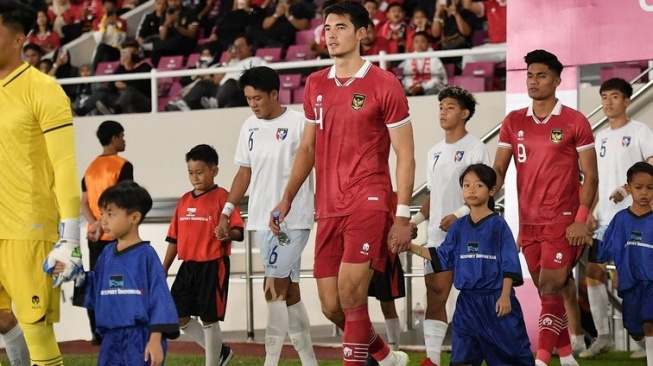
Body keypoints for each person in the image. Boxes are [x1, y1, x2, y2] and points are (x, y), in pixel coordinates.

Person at [270, 2, 414, 365]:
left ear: (362, 33)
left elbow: (406, 154)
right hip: (328, 205)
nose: (330, 34)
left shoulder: (385, 84)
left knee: (352, 294)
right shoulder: (315, 83)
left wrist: (401, 215)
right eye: (327, 27)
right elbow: (307, 147)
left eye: (340, 27)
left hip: (369, 199)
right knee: (332, 306)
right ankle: (386, 358)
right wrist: (287, 197)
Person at [493, 49, 598, 366]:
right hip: (529, 224)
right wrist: (484, 192)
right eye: (529, 75)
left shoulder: (574, 121)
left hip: (563, 222)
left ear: (556, 80)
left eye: (541, 75)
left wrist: (581, 219)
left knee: (552, 287)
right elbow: (499, 169)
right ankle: (567, 357)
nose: (533, 81)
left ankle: (540, 360)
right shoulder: (513, 121)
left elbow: (591, 176)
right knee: (546, 290)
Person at [215, 66, 318, 366]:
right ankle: (309, 361)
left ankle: (269, 362)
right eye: (248, 99)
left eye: (258, 98)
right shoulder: (249, 126)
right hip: (261, 219)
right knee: (289, 293)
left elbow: (315, 166)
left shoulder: (301, 123)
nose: (254, 104)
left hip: (293, 219)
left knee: (272, 288)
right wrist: (227, 210)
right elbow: (243, 173)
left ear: (275, 93)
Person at [1, 1, 83, 365]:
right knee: (4, 321)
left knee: (37, 333)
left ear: (20, 38)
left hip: (28, 228)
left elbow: (64, 166)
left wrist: (71, 237)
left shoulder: (43, 90)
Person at [406, 164, 534, 365]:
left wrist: (505, 297)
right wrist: (410, 246)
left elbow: (509, 263)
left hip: (496, 303)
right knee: (462, 359)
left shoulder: (498, 226)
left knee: (512, 358)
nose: (471, 190)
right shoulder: (458, 227)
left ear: (492, 190)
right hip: (467, 305)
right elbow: (441, 255)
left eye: (478, 185)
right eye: (466, 185)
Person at [408, 86, 489, 366]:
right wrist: (415, 221)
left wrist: (458, 214)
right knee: (434, 294)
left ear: (465, 114)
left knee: (467, 299)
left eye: (450, 107)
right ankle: (432, 359)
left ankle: (474, 354)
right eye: (441, 106)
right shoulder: (435, 152)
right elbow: (434, 193)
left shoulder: (475, 147)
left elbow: (484, 190)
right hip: (436, 236)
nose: (443, 111)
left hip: (468, 235)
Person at [579, 78, 653, 359]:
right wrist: (588, 212)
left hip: (633, 218)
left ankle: (644, 341)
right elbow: (596, 181)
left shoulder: (639, 131)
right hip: (604, 220)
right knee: (593, 271)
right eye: (604, 97)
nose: (608, 102)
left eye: (614, 97)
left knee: (630, 280)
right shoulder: (600, 137)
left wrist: (627, 187)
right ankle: (604, 336)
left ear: (627, 101)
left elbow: (651, 165)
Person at [70, 181, 180, 366]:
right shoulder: (106, 255)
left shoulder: (146, 256)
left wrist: (155, 339)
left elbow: (160, 298)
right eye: (102, 213)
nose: (103, 220)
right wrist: (78, 275)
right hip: (111, 340)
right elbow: (96, 290)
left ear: (134, 217)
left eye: (111, 214)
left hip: (140, 339)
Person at [163, 144, 244, 366]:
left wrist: (228, 233)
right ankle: (221, 353)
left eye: (199, 172)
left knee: (209, 318)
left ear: (214, 171)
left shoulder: (223, 198)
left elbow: (238, 230)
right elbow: (173, 239)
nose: (194, 177)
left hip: (213, 265)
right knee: (177, 315)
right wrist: (164, 268)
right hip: (187, 267)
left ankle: (212, 362)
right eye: (191, 172)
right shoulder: (184, 201)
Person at [588, 161, 653, 365]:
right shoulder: (620, 220)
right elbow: (605, 249)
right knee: (635, 329)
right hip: (629, 284)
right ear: (628, 188)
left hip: (651, 283)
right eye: (638, 187)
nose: (644, 193)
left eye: (650, 188)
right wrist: (586, 238)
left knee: (650, 321)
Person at [80, 120, 133, 345]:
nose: (124, 140)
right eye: (122, 135)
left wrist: (94, 224)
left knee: (97, 283)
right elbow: (124, 199)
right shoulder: (123, 165)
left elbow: (84, 202)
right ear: (113, 139)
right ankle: (117, 329)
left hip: (95, 238)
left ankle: (97, 332)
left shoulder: (90, 168)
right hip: (115, 237)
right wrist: (104, 223)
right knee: (117, 284)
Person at [166, 35, 264, 111]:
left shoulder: (256, 60)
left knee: (231, 81)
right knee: (204, 84)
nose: (237, 49)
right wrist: (227, 62)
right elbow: (216, 81)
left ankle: (216, 103)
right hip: (221, 91)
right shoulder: (231, 63)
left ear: (250, 47)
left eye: (241, 46)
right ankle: (183, 104)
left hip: (240, 91)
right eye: (235, 46)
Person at [95, 40, 153, 115]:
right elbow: (111, 85)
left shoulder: (145, 66)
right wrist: (116, 84)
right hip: (124, 99)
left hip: (144, 101)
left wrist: (125, 85)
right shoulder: (121, 68)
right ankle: (82, 110)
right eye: (124, 53)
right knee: (102, 91)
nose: (125, 56)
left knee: (130, 90)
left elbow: (140, 86)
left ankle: (114, 111)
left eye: (128, 53)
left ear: (136, 53)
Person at [398, 31, 447, 96]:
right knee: (402, 93)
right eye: (416, 42)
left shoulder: (434, 58)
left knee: (431, 91)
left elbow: (437, 79)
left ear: (429, 44)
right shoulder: (409, 59)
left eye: (422, 41)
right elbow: (407, 77)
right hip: (414, 87)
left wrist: (422, 87)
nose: (419, 44)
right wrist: (412, 86)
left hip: (430, 87)